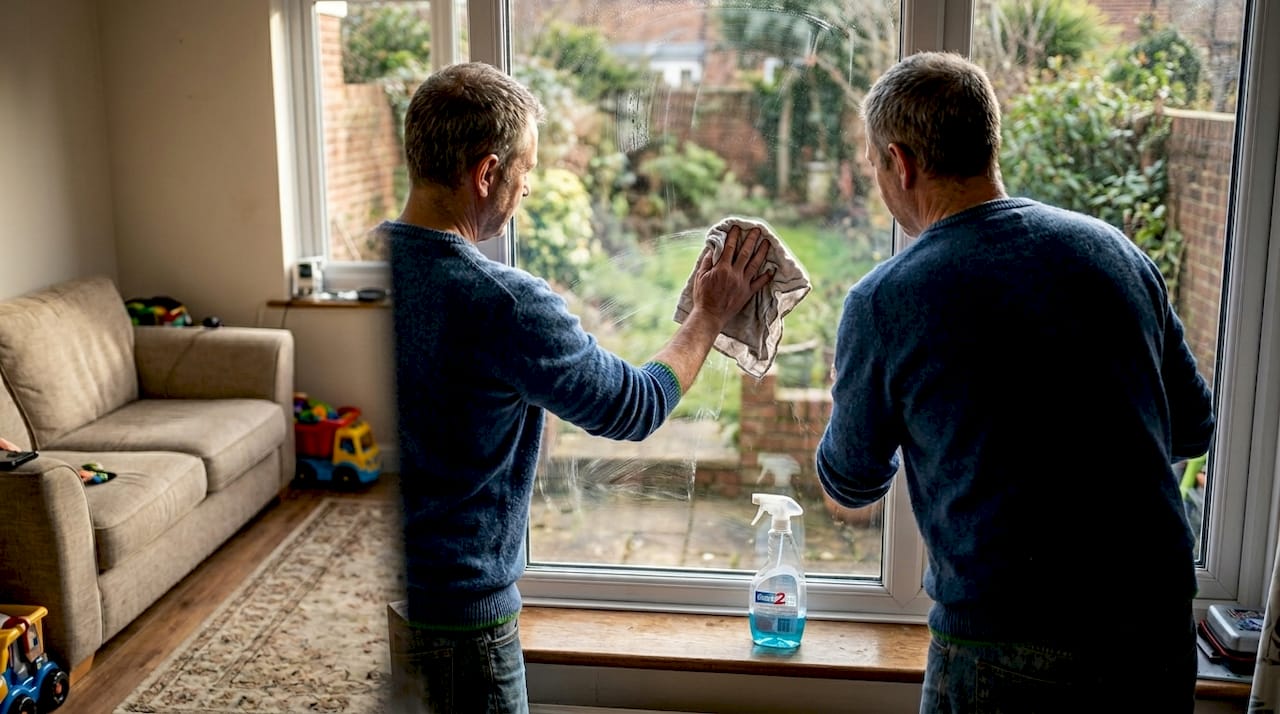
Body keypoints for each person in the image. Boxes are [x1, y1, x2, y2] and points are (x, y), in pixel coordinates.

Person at [815, 52, 1215, 713]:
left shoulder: (887, 300)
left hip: (1005, 646)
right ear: (988, 143)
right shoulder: (1116, 253)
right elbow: (1194, 427)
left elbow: (851, 482)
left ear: (900, 163)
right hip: (1155, 632)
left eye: (874, 166)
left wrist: (851, 396)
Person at [382, 61, 773, 714]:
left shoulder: (359, 275)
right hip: (457, 634)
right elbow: (635, 406)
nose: (528, 187)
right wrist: (709, 315)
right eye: (525, 170)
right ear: (486, 173)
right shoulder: (501, 303)